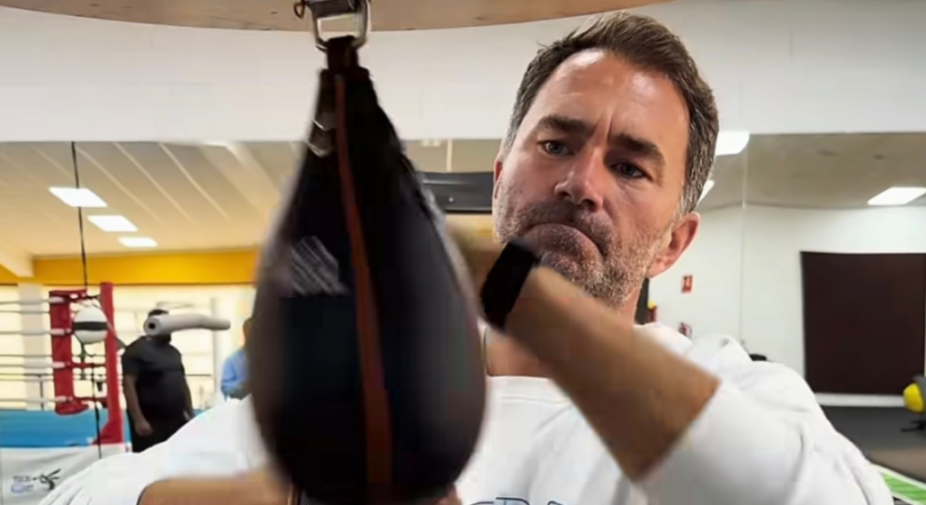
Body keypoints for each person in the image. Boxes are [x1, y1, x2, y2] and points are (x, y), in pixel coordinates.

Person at [40, 12, 891, 505]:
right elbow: (89, 496)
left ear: (678, 239)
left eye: (630, 164)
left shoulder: (741, 394)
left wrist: (504, 283)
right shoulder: (361, 397)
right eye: (555, 143)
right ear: (499, 176)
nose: (581, 183)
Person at [121, 309, 195, 453]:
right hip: (151, 421)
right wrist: (139, 419)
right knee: (150, 459)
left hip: (176, 419)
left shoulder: (173, 352)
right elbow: (128, 384)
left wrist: (190, 412)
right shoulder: (136, 350)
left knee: (176, 457)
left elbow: (182, 382)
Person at [220, 318, 251, 399]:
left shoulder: (269, 360)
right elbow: (226, 389)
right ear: (245, 334)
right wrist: (244, 385)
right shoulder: (231, 361)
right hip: (240, 408)